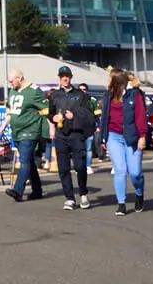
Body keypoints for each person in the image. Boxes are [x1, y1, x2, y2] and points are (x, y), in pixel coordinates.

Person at [100, 69, 147, 215]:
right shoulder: (108, 95)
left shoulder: (135, 94)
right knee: (120, 170)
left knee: (135, 173)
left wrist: (142, 136)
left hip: (132, 137)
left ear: (116, 81)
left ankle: (139, 194)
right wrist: (103, 137)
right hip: (113, 136)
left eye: (110, 78)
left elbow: (140, 116)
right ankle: (121, 203)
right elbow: (104, 117)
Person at [49, 66, 96, 211]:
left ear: (71, 77)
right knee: (63, 168)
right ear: (59, 78)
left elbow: (89, 115)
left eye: (67, 76)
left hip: (77, 134)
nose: (65, 78)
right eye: (62, 76)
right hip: (61, 135)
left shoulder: (80, 95)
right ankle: (69, 198)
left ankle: (83, 194)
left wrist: (74, 115)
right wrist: (53, 118)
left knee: (80, 166)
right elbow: (50, 113)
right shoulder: (55, 95)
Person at [2, 69, 48, 203]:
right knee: (29, 162)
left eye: (12, 81)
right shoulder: (13, 91)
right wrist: (4, 125)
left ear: (20, 78)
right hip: (16, 131)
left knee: (24, 162)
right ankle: (37, 190)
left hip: (29, 131)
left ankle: (18, 190)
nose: (10, 84)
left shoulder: (34, 91)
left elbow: (45, 109)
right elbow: (10, 111)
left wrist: (48, 128)